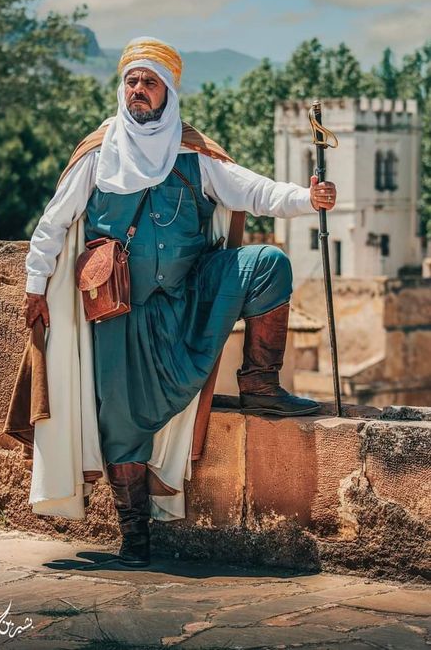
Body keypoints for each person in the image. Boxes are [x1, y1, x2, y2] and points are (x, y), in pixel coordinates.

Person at [23, 37, 337, 567]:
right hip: (120, 315)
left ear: (168, 91)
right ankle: (135, 540)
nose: (138, 90)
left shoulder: (195, 154)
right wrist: (35, 288)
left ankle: (260, 387)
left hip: (190, 301)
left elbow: (254, 192)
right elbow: (53, 224)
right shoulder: (98, 154)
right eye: (131, 81)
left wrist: (307, 199)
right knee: (120, 420)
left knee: (267, 264)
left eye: (149, 82)